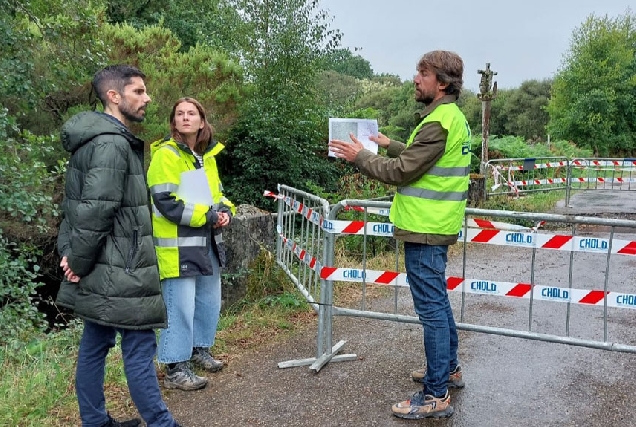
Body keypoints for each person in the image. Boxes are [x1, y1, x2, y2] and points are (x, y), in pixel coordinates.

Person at [328, 50, 470, 420]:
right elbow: (422, 160)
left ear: (441, 83)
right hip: (435, 225)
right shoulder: (450, 118)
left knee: (432, 311)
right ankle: (449, 370)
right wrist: (389, 143)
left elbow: (400, 172)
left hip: (426, 228)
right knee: (437, 304)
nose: (415, 79)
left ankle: (436, 394)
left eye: (422, 73)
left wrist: (360, 156)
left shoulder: (439, 121)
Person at [56, 65, 183, 427]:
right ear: (114, 96)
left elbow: (77, 207)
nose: (147, 98)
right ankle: (162, 424)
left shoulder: (99, 139)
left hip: (105, 262)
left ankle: (95, 422)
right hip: (122, 266)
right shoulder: (111, 142)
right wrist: (76, 261)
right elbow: (96, 210)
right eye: (139, 92)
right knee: (140, 347)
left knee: (95, 343)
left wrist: (75, 256)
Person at [147, 97, 235, 391]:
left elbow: (219, 195)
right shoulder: (166, 155)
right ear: (173, 122)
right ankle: (175, 368)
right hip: (178, 245)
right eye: (180, 114)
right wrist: (207, 215)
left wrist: (225, 213)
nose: (186, 118)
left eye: (192, 113)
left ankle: (199, 351)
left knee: (208, 299)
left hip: (208, 240)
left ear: (202, 120)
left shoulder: (207, 157)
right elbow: (165, 203)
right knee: (179, 306)